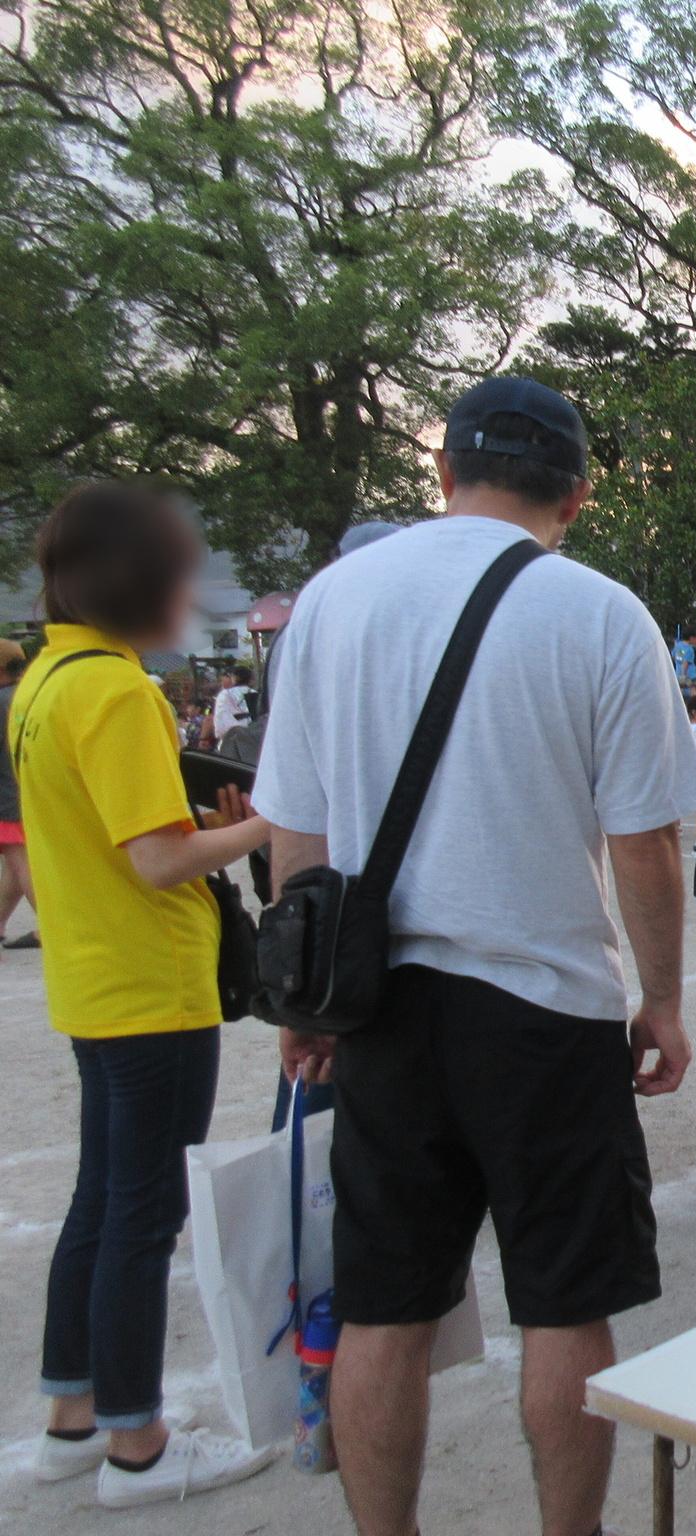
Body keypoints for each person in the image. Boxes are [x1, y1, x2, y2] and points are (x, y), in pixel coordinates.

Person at [257, 376, 696, 1536]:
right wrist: (660, 1000)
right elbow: (645, 845)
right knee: (565, 1306)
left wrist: (300, 998)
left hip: (379, 1008)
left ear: (444, 472)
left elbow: (294, 830)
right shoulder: (598, 613)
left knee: (382, 1308)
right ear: (578, 493)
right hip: (544, 1008)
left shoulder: (333, 601)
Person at [22, 483, 278, 1507]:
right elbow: (162, 861)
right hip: (152, 987)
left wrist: (207, 816)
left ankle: (72, 1416)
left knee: (100, 1202)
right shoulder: (118, 691)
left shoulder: (44, 684)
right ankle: (139, 1443)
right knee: (142, 1215)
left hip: (92, 981)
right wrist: (266, 826)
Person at [0, 639, 36, 949]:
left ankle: (54, 926)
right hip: (28, 792)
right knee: (14, 868)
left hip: (6, 797)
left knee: (22, 864)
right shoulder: (29, 694)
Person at [210, 665, 254, 744]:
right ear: (250, 679)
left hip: (231, 741)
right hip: (254, 740)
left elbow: (221, 725)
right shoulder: (256, 694)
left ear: (234, 678)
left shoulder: (225, 694)